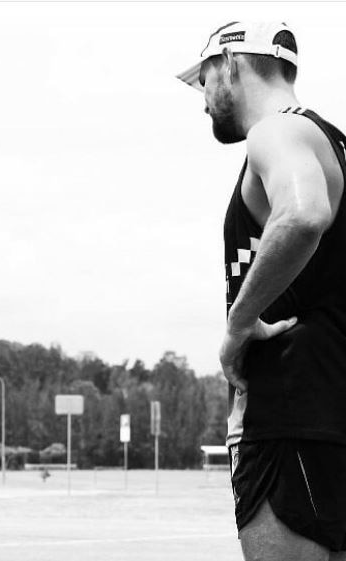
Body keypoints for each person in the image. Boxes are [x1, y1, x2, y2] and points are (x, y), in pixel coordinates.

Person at [178, 22, 346, 561]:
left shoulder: (275, 132)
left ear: (229, 64)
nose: (203, 102)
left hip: (288, 419)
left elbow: (302, 214)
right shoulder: (335, 145)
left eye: (203, 81)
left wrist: (237, 325)